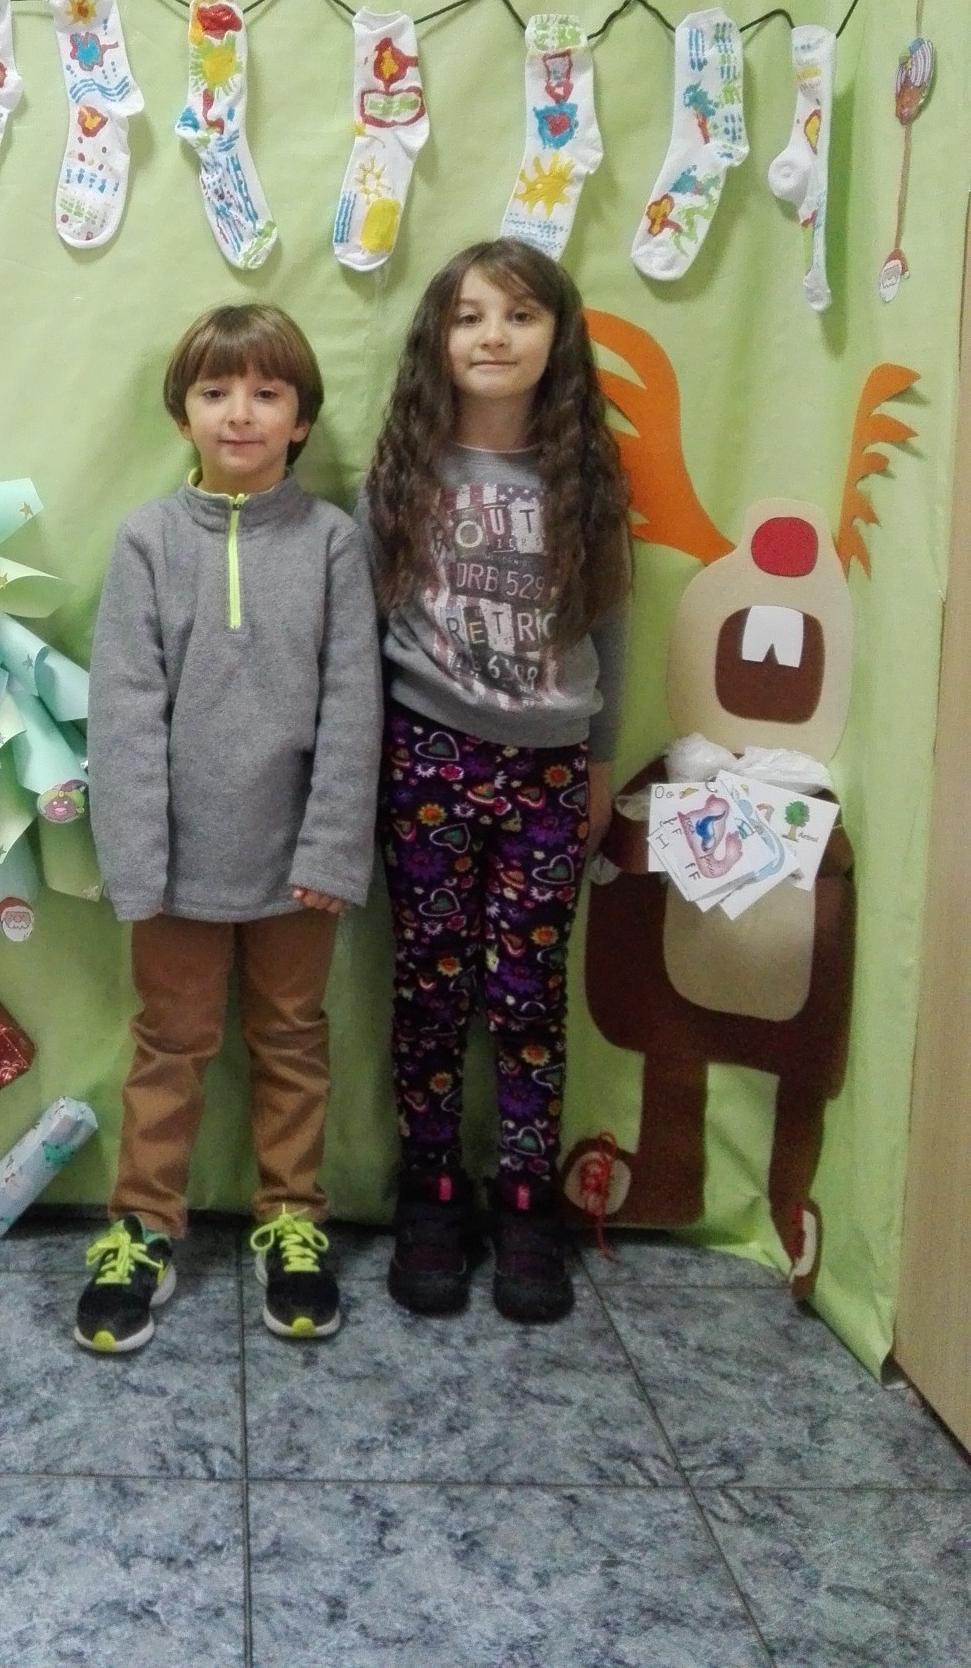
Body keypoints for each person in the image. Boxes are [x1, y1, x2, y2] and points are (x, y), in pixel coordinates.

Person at [79, 304, 382, 1354]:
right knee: (168, 1047)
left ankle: (293, 1221)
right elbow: (122, 714)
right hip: (175, 869)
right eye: (215, 392)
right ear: (184, 416)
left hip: (298, 863)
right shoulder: (148, 540)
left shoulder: (334, 543)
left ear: (301, 419)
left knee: (293, 1042)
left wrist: (332, 848)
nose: (240, 413)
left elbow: (353, 708)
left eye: (265, 392)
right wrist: (136, 863)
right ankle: (142, 1227)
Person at [359, 239, 631, 1324]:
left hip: (551, 770)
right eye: (470, 316)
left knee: (527, 995)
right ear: (438, 337)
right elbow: (361, 633)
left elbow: (613, 626)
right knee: (429, 988)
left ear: (557, 339)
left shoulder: (587, 478)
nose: (493, 337)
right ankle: (431, 1188)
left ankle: (525, 1198)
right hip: (427, 755)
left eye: (520, 316)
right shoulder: (403, 470)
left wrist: (599, 763)